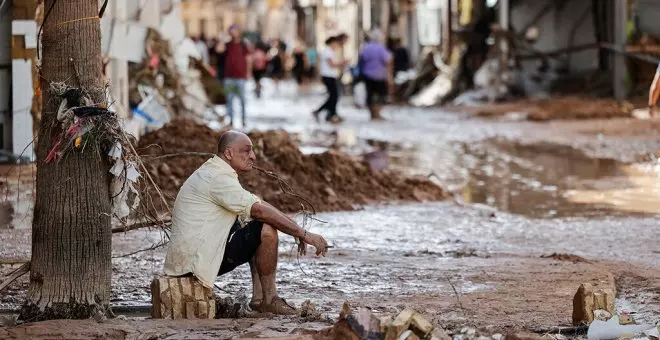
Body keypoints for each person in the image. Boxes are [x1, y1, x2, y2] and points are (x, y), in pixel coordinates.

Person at [164, 131, 330, 315]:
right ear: (228, 154)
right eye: (246, 151)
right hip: (193, 264)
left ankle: (258, 299)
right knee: (265, 227)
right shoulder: (218, 178)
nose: (253, 156)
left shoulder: (215, 171)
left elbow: (258, 203)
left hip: (189, 260)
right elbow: (260, 210)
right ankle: (269, 299)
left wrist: (296, 230)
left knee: (254, 220)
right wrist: (303, 234)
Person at [359, 30, 392, 120]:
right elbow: (388, 60)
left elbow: (362, 59)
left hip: (367, 75)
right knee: (381, 95)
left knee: (370, 95)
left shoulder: (365, 48)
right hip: (379, 75)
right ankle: (377, 114)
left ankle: (372, 114)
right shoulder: (380, 48)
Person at [312, 36, 346, 124]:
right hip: (328, 76)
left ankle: (331, 114)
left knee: (334, 96)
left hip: (331, 76)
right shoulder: (328, 51)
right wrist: (342, 62)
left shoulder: (330, 51)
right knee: (333, 96)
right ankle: (323, 112)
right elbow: (331, 64)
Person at [224, 25, 252, 128]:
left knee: (242, 100)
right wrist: (222, 38)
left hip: (240, 77)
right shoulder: (227, 45)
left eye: (235, 31)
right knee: (229, 100)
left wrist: (249, 73)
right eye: (231, 31)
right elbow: (218, 50)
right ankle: (230, 120)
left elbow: (248, 59)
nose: (233, 33)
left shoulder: (243, 45)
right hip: (229, 77)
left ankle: (243, 120)